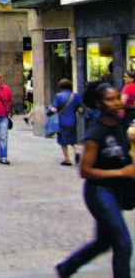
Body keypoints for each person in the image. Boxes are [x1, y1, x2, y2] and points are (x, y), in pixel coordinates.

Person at [55, 82, 135, 278]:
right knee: (123, 244)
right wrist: (122, 172)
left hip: (118, 191)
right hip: (100, 193)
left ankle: (67, 267)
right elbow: (85, 171)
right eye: (110, 99)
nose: (116, 103)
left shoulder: (120, 124)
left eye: (117, 98)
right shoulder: (95, 133)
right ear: (99, 104)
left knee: (103, 242)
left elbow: (124, 153)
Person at [49, 78, 82, 166]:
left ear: (61, 86)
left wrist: (50, 110)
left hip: (62, 121)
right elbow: (80, 109)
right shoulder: (75, 96)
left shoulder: (58, 96)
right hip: (73, 121)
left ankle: (67, 159)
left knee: (63, 141)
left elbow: (55, 109)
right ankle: (77, 151)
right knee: (73, 139)